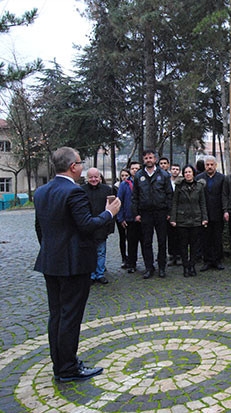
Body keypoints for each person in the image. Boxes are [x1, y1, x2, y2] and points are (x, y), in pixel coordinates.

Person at [34, 146, 121, 382]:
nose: (82, 166)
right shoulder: (74, 192)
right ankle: (69, 368)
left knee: (57, 315)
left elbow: (40, 228)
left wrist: (52, 250)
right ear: (73, 166)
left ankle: (60, 365)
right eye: (81, 162)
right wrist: (109, 213)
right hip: (73, 264)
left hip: (51, 261)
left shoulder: (41, 191)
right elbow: (86, 225)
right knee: (70, 316)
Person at [132, 149, 173, 279]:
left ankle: (162, 267)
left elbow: (169, 195)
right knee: (146, 242)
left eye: (151, 157)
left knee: (162, 241)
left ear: (155, 159)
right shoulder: (139, 176)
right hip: (145, 213)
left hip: (161, 212)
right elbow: (135, 196)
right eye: (146, 158)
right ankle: (149, 268)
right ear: (143, 160)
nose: (148, 160)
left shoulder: (164, 175)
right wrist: (136, 213)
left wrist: (169, 211)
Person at [170, 165, 208, 277]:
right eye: (185, 172)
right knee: (183, 244)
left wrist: (204, 218)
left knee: (194, 245)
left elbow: (202, 203)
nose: (188, 174)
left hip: (196, 219)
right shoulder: (179, 186)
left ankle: (192, 265)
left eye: (189, 172)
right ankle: (185, 267)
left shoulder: (199, 186)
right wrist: (173, 218)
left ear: (193, 173)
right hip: (182, 219)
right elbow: (174, 203)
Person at [81, 168, 115, 284]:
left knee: (101, 252)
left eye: (96, 177)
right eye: (91, 177)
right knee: (89, 252)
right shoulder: (81, 190)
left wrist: (110, 227)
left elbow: (112, 210)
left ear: (100, 178)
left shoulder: (107, 190)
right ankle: (91, 275)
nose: (94, 179)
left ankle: (100, 274)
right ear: (87, 178)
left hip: (102, 227)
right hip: (87, 226)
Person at [197, 155, 225, 271]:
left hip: (218, 212)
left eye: (211, 165)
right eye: (207, 165)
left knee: (217, 238)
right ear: (204, 166)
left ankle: (217, 260)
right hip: (204, 213)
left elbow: (224, 195)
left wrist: (225, 210)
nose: (209, 167)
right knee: (205, 238)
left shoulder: (222, 178)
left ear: (215, 165)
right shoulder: (199, 178)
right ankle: (207, 260)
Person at [117, 161, 141, 274]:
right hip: (129, 218)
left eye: (137, 168)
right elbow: (119, 201)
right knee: (131, 242)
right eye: (133, 168)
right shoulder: (124, 184)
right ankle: (131, 263)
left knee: (146, 242)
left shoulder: (144, 182)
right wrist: (121, 218)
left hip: (142, 217)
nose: (135, 170)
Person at [114, 168, 130, 269]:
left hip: (129, 215)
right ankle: (124, 257)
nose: (124, 177)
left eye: (126, 175)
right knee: (122, 238)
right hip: (119, 215)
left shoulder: (131, 185)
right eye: (122, 175)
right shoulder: (116, 187)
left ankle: (131, 257)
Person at [167, 163, 182, 266]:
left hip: (180, 213)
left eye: (177, 169)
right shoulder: (166, 182)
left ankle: (179, 255)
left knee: (180, 235)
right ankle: (172, 255)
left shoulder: (182, 183)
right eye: (173, 169)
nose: (175, 171)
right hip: (169, 212)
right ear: (170, 170)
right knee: (170, 235)